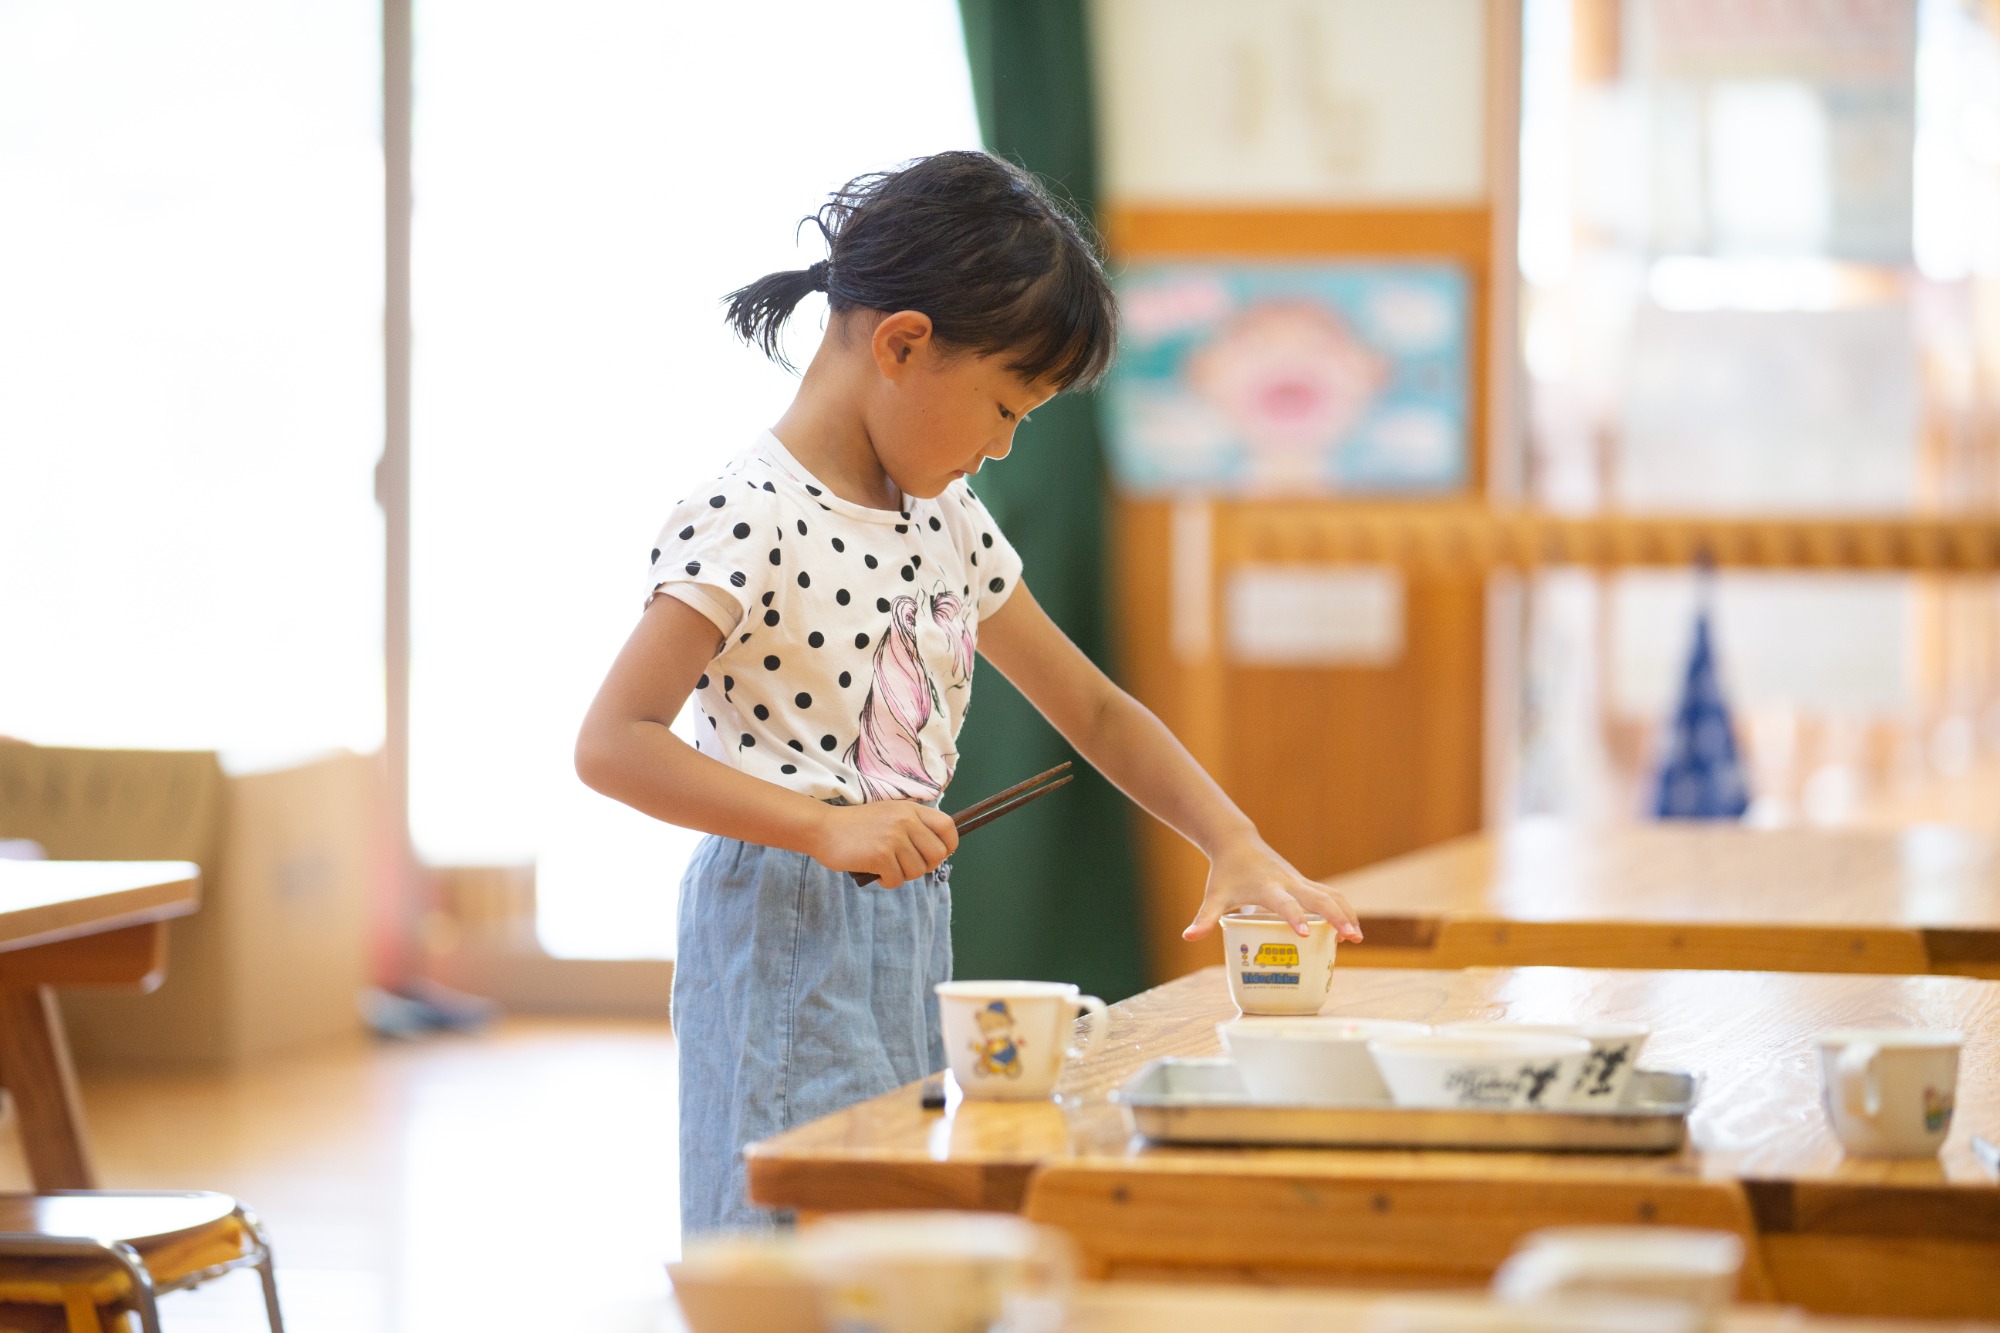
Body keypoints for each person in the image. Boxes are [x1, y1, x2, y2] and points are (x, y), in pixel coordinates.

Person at [574, 151, 1361, 1236]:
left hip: (900, 907)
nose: (999, 445)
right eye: (1003, 407)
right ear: (901, 344)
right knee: (792, 1229)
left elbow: (1092, 709)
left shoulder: (942, 521)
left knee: (893, 1211)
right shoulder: (749, 512)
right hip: (783, 910)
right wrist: (817, 829)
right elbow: (613, 743)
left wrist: (1230, 837)